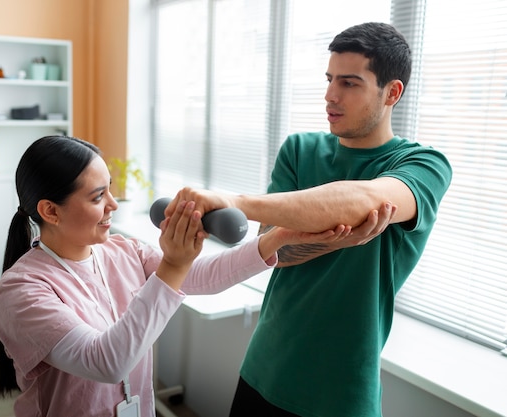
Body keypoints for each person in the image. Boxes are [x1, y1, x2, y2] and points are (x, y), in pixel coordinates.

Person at [165, 22, 452, 417]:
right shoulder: (300, 149)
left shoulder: (423, 165)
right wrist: (334, 240)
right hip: (264, 369)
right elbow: (274, 253)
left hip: (341, 396)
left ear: (392, 92)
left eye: (349, 83)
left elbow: (363, 199)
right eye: (330, 79)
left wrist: (235, 201)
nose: (330, 96)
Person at [0, 135, 383, 417]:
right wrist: (173, 264)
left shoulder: (121, 250)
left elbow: (200, 277)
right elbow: (107, 362)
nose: (113, 203)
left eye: (110, 189)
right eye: (97, 197)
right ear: (51, 210)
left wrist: (281, 236)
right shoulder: (20, 292)